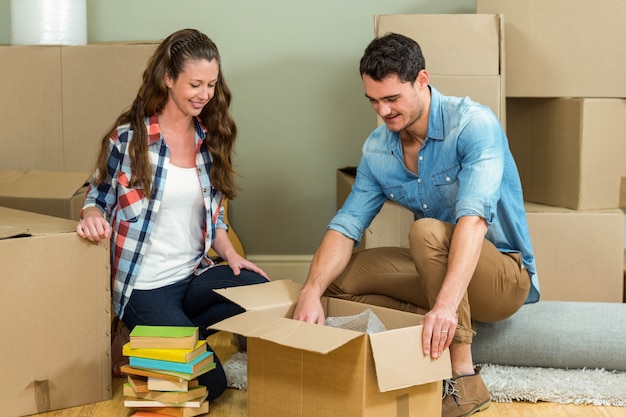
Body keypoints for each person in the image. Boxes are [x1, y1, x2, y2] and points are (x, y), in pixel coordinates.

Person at [293, 33, 539, 417]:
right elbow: (346, 225)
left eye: (392, 99)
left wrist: (444, 307)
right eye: (374, 100)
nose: (383, 111)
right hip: (439, 267)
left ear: (422, 80)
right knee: (337, 280)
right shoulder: (378, 150)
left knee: (426, 232)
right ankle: (415, 346)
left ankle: (462, 378)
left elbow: (472, 223)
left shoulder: (473, 124)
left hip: (502, 275)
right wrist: (310, 290)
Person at [76, 28, 269, 401]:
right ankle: (149, 331)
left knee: (258, 288)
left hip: (191, 274)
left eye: (211, 84)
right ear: (168, 78)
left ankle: (155, 339)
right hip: (144, 287)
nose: (205, 94)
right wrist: (89, 214)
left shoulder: (209, 139)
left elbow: (214, 217)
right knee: (209, 386)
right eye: (195, 84)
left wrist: (231, 255)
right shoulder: (128, 138)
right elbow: (96, 193)